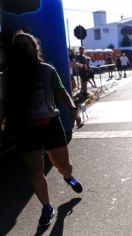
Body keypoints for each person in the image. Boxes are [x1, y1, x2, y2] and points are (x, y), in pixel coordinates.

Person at [0, 31, 83, 227]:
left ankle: (67, 176)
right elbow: (2, 105)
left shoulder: (47, 70)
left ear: (35, 48)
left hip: (50, 124)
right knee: (35, 170)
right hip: (24, 128)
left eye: (26, 45)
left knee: (64, 164)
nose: (22, 49)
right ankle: (46, 206)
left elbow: (61, 92)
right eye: (18, 46)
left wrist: (72, 108)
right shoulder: (6, 77)